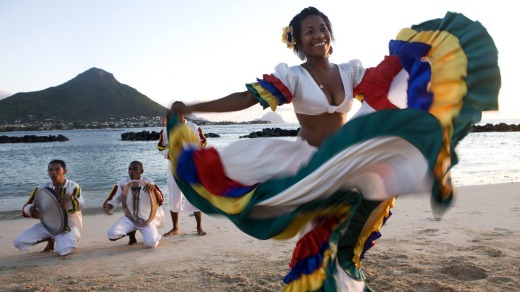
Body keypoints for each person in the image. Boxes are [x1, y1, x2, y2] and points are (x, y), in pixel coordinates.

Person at [168, 7, 500, 291]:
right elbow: (246, 99)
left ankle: (342, 283)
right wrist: (194, 107)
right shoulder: (293, 77)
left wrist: (415, 63)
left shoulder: (349, 71)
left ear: (331, 34)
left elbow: (383, 85)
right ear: (297, 40)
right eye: (309, 31)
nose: (318, 34)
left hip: (347, 160)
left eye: (323, 28)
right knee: (323, 231)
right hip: (307, 163)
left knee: (352, 226)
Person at [13, 159, 83, 257]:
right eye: (51, 170)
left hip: (68, 227)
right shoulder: (42, 188)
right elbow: (26, 208)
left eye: (57, 169)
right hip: (48, 226)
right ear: (48, 172)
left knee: (64, 250)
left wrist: (69, 198)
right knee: (18, 242)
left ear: (64, 171)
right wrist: (31, 209)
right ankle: (51, 239)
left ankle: (57, 239)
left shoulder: (73, 186)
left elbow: (79, 205)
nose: (54, 172)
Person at [158, 105, 208, 237]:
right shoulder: (166, 131)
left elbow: (203, 142)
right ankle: (175, 228)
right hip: (173, 169)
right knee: (174, 197)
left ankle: (199, 226)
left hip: (191, 168)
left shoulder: (193, 127)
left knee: (194, 196)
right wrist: (168, 153)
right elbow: (161, 147)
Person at [103, 161, 165, 248]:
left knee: (152, 244)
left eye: (135, 169)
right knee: (112, 235)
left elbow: (160, 200)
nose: (132, 171)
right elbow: (115, 196)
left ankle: (150, 233)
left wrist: (153, 189)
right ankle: (131, 234)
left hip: (146, 220)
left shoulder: (148, 182)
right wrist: (109, 206)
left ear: (142, 171)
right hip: (130, 218)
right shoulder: (123, 183)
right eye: (130, 169)